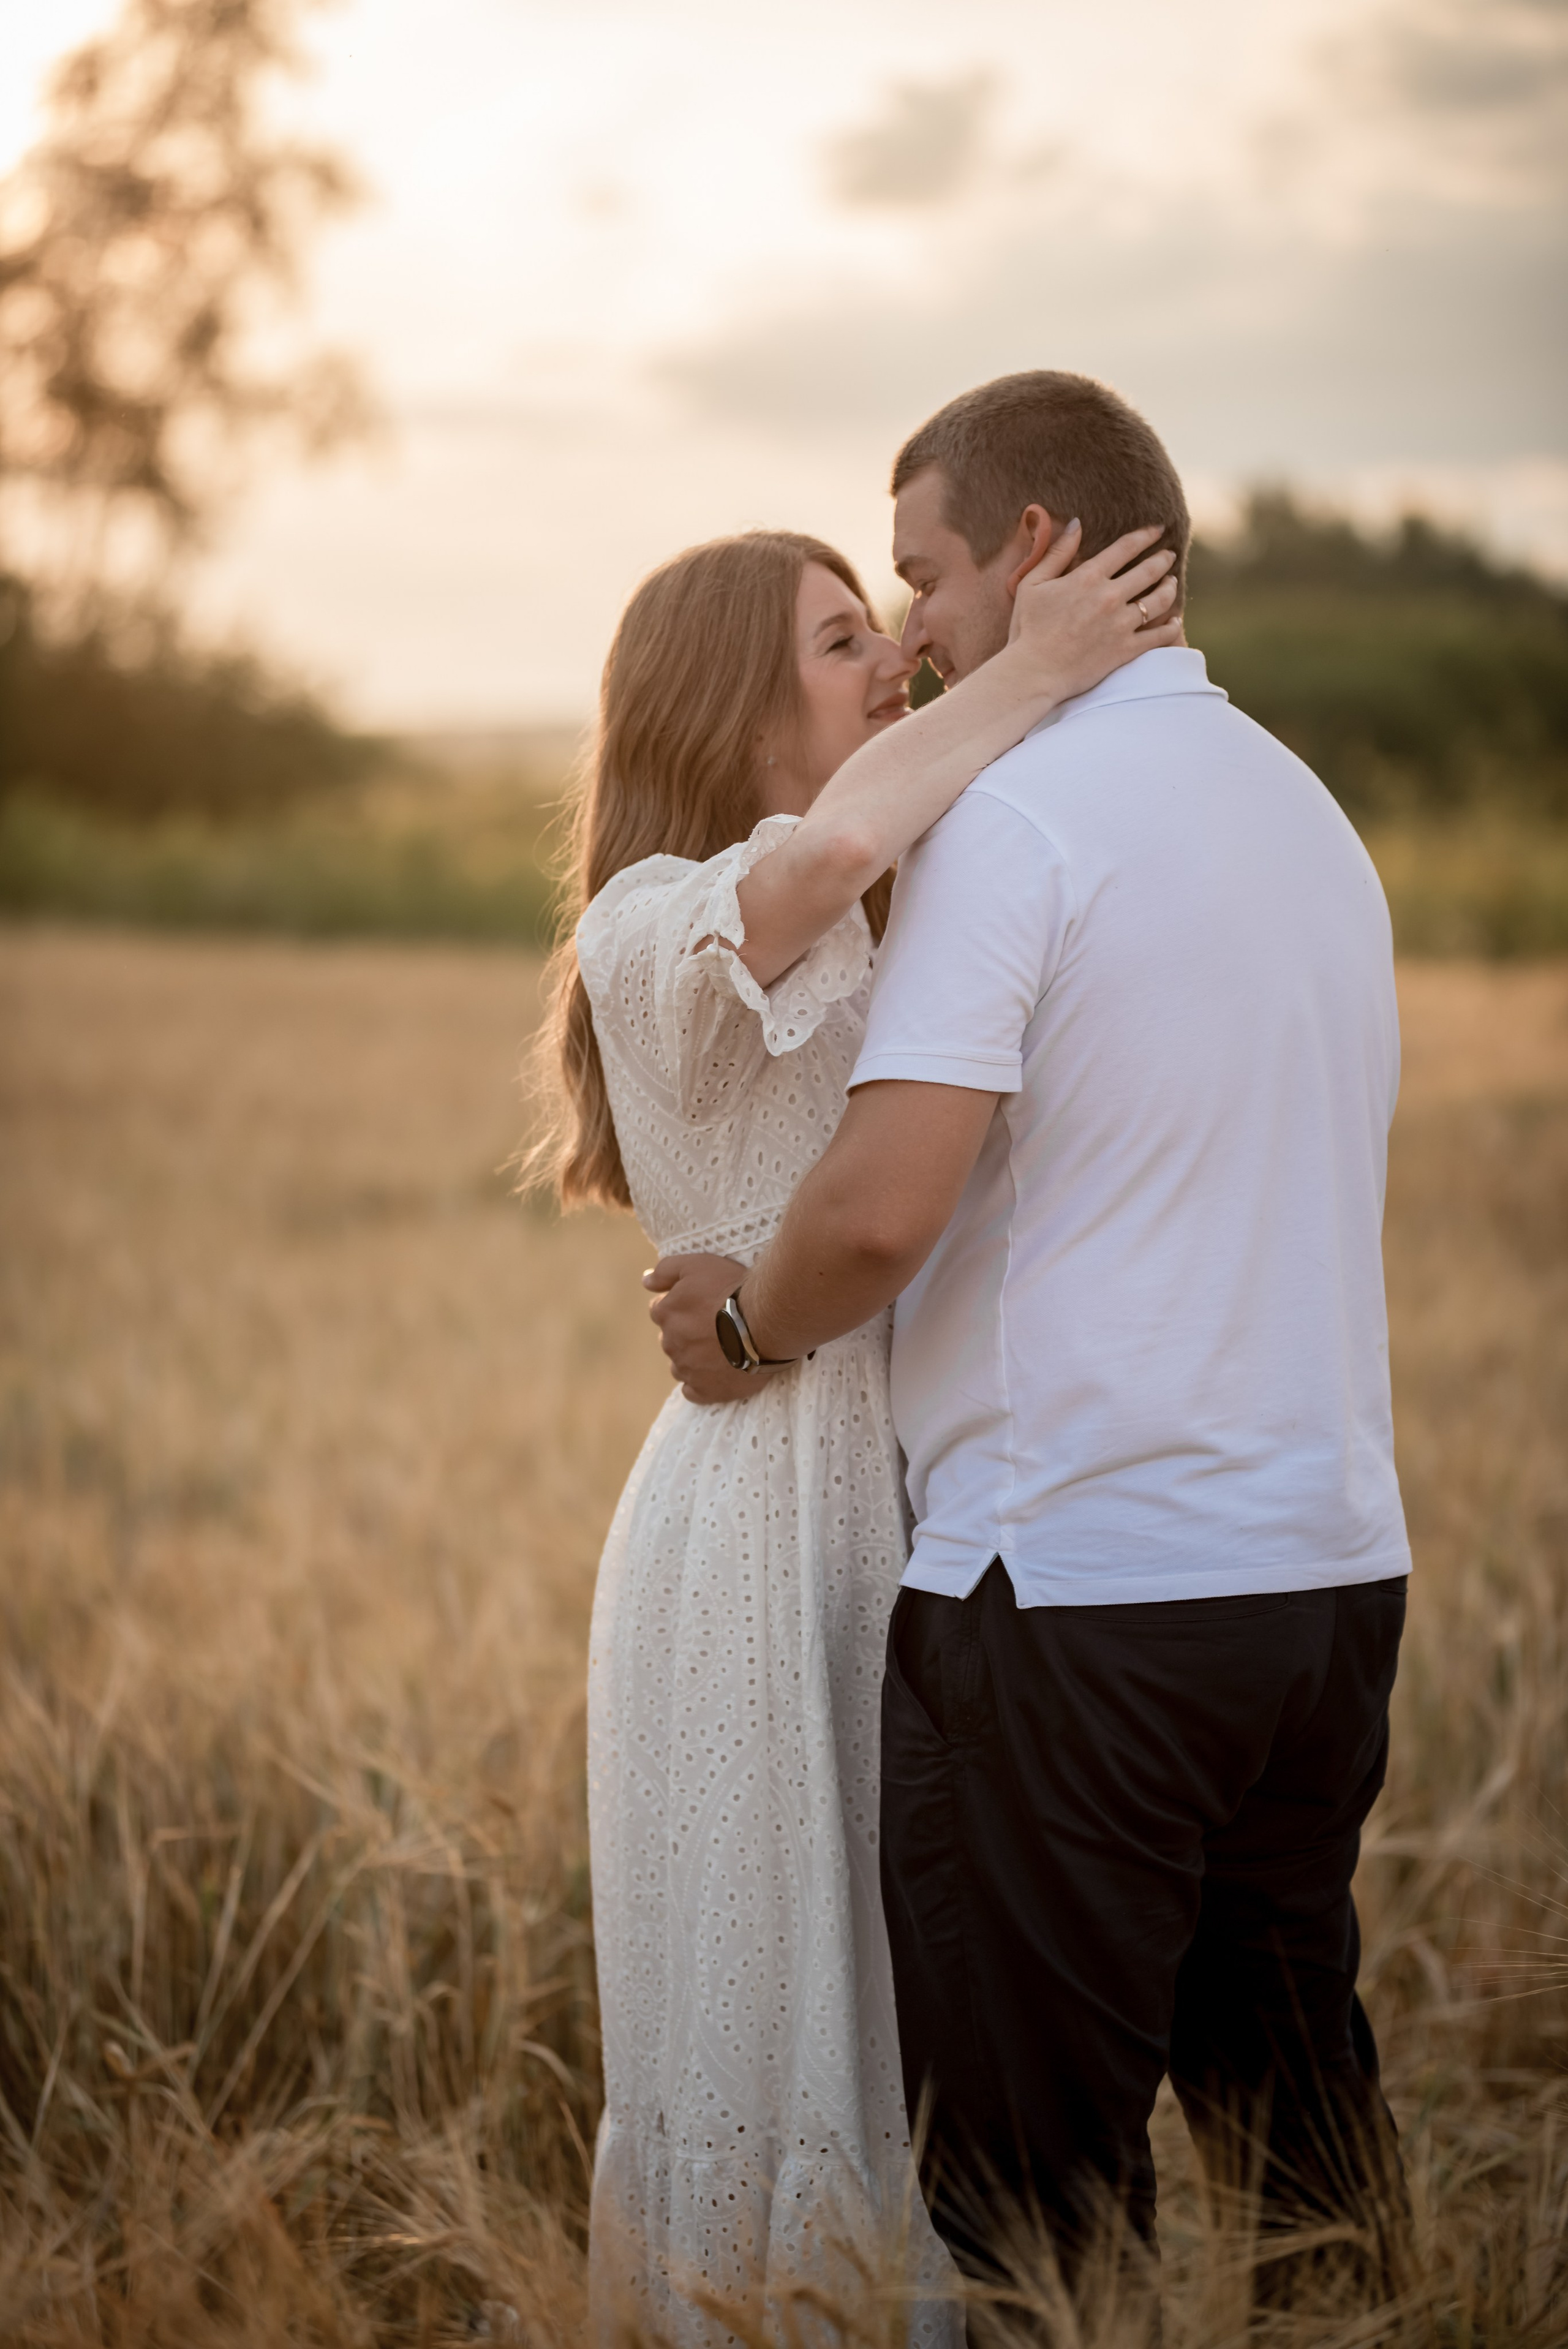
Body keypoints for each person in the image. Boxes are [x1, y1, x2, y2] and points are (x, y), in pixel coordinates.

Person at [649, 371, 1414, 2314]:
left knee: (1033, 2221)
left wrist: (743, 1314)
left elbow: (887, 1204)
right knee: (1311, 2157)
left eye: (921, 571)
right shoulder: (1314, 817)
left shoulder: (1025, 822)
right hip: (1326, 1582)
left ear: (1040, 554)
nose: (910, 627)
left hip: (1076, 1597)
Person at [525, 515, 1178, 2345]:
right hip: (756, 1522)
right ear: (732, 713)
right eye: (839, 641)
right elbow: (829, 845)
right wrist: (1036, 664)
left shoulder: (920, 899)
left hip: (915, 1489)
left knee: (922, 2003)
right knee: (784, 1995)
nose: (892, 653)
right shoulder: (660, 920)